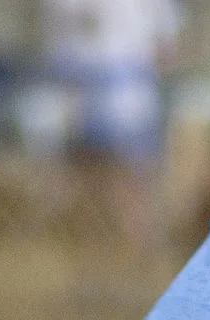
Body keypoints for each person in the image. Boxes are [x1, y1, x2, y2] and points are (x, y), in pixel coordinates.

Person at [40, 0, 181, 279]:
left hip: (128, 103)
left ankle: (141, 270)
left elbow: (167, 50)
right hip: (79, 104)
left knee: (131, 188)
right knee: (84, 189)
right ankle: (89, 272)